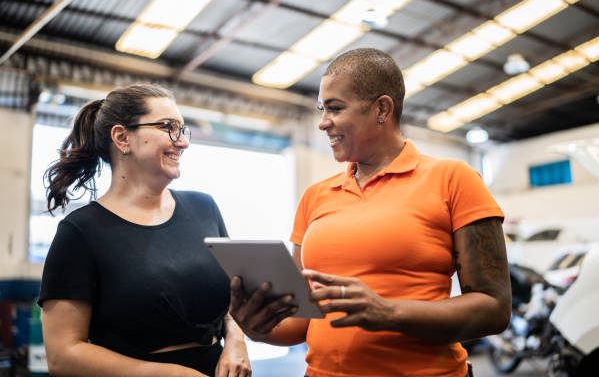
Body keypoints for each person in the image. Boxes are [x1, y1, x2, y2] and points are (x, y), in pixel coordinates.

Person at [229, 48, 511, 377]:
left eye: (335, 108)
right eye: (322, 109)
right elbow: (300, 321)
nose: (322, 123)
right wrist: (256, 327)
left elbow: (495, 307)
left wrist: (389, 312)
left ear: (381, 108)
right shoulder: (314, 196)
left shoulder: (453, 178)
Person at [38, 83, 251, 377]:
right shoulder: (81, 231)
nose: (183, 142)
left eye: (182, 129)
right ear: (122, 137)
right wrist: (169, 373)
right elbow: (63, 355)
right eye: (168, 127)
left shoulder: (205, 208)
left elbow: (235, 299)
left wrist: (237, 343)